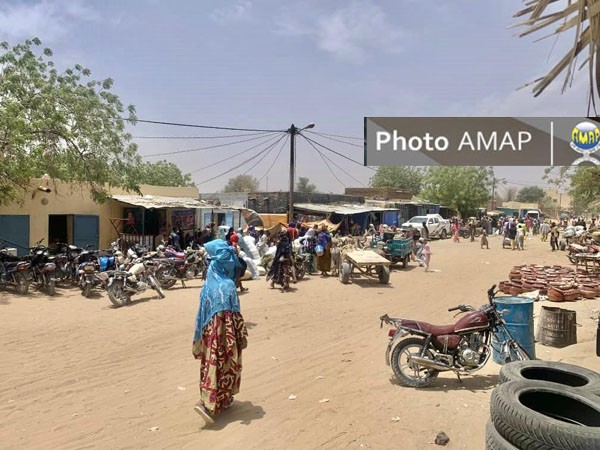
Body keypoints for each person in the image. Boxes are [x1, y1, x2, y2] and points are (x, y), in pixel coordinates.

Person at [192, 239, 248, 425]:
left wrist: (200, 337)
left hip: (212, 334)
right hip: (228, 334)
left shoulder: (209, 285)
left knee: (212, 363)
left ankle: (208, 402)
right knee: (226, 364)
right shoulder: (229, 286)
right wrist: (238, 336)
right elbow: (236, 314)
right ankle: (221, 400)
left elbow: (201, 314)